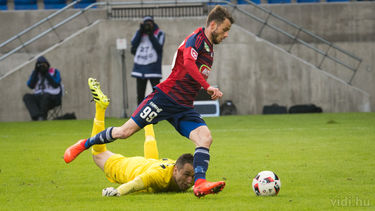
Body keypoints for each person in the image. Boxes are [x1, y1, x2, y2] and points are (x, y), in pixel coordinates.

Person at [64, 5, 234, 198]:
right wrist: (207, 86)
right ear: (213, 24)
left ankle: (200, 183)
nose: (226, 34)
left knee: (205, 138)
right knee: (124, 132)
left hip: (184, 107)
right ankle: (84, 144)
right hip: (165, 98)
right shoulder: (196, 38)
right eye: (225, 29)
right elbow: (187, 62)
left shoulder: (209, 48)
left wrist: (203, 87)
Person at [77, 78, 195, 196]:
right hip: (128, 169)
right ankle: (100, 108)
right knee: (98, 154)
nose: (190, 180)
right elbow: (137, 183)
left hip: (145, 164)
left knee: (152, 162)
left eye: (192, 176)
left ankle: (147, 123)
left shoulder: (178, 166)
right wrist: (117, 191)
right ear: (176, 170)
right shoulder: (159, 175)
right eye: (186, 175)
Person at [131, 16, 165, 104]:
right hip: (140, 67)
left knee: (157, 93)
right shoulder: (139, 33)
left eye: (149, 23)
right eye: (146, 23)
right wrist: (140, 31)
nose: (147, 26)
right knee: (140, 94)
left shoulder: (159, 33)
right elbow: (133, 44)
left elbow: (159, 48)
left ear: (153, 24)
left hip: (153, 68)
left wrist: (150, 34)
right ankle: (138, 115)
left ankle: (157, 113)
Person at [23, 56, 62, 121]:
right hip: (39, 96)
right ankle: (37, 117)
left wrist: (46, 73)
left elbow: (56, 84)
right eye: (40, 65)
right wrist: (36, 71)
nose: (42, 66)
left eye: (43, 64)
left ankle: (42, 117)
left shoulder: (54, 71)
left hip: (53, 98)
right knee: (26, 97)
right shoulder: (35, 73)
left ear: (47, 64)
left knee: (45, 96)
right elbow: (30, 85)